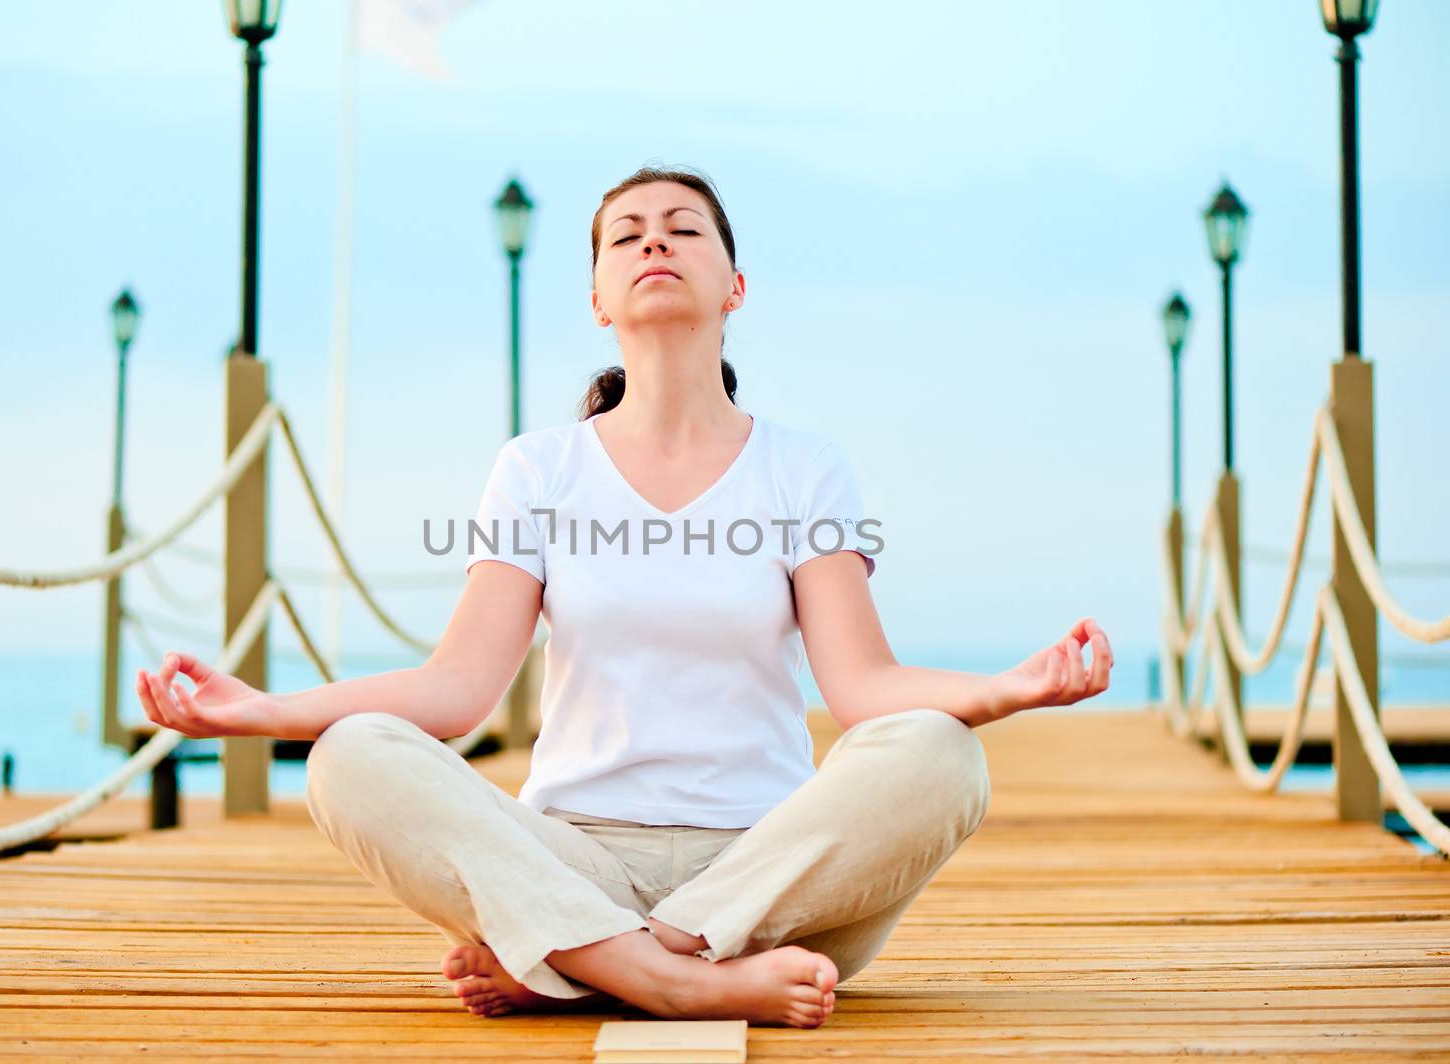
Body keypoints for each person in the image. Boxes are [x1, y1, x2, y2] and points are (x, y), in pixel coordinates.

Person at [134, 165, 1113, 1030]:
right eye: (626, 233)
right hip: (567, 854)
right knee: (351, 756)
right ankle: (675, 978)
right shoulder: (536, 469)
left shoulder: (804, 469)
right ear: (599, 296)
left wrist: (1011, 686)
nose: (655, 239)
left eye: (684, 226)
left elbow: (862, 688)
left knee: (943, 751)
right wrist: (260, 713)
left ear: (734, 286)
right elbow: (456, 688)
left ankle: (578, 961)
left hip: (772, 874)